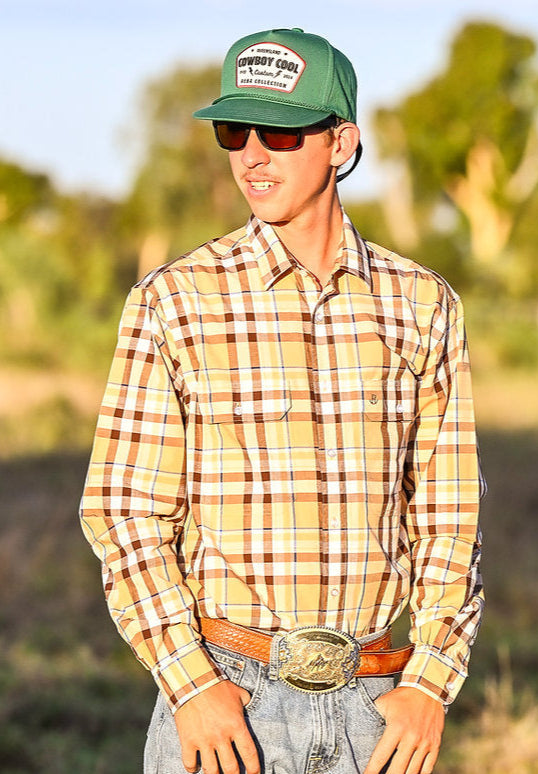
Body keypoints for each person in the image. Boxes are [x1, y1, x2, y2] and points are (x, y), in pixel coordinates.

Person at [80, 27, 484, 774]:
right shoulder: (175, 301)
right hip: (226, 705)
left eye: (281, 132)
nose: (253, 155)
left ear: (340, 143)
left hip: (376, 705)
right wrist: (190, 681)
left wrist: (430, 680)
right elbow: (125, 511)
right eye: (235, 131)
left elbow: (448, 515)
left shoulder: (423, 304)